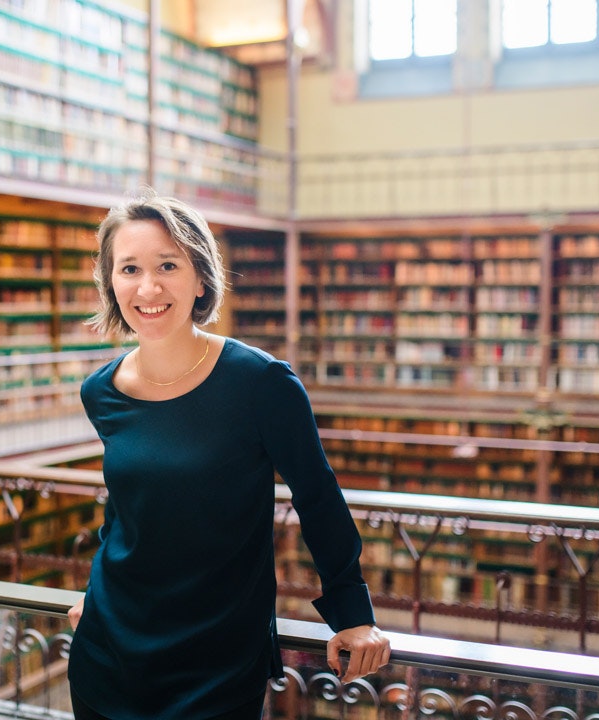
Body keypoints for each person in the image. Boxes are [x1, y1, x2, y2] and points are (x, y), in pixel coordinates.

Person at [66, 191, 391, 720]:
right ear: (110, 284)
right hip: (110, 647)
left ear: (200, 278)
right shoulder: (101, 391)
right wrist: (93, 593)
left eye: (167, 265)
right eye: (129, 269)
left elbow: (317, 495)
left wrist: (352, 613)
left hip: (216, 656)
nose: (148, 287)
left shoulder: (261, 381)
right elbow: (127, 509)